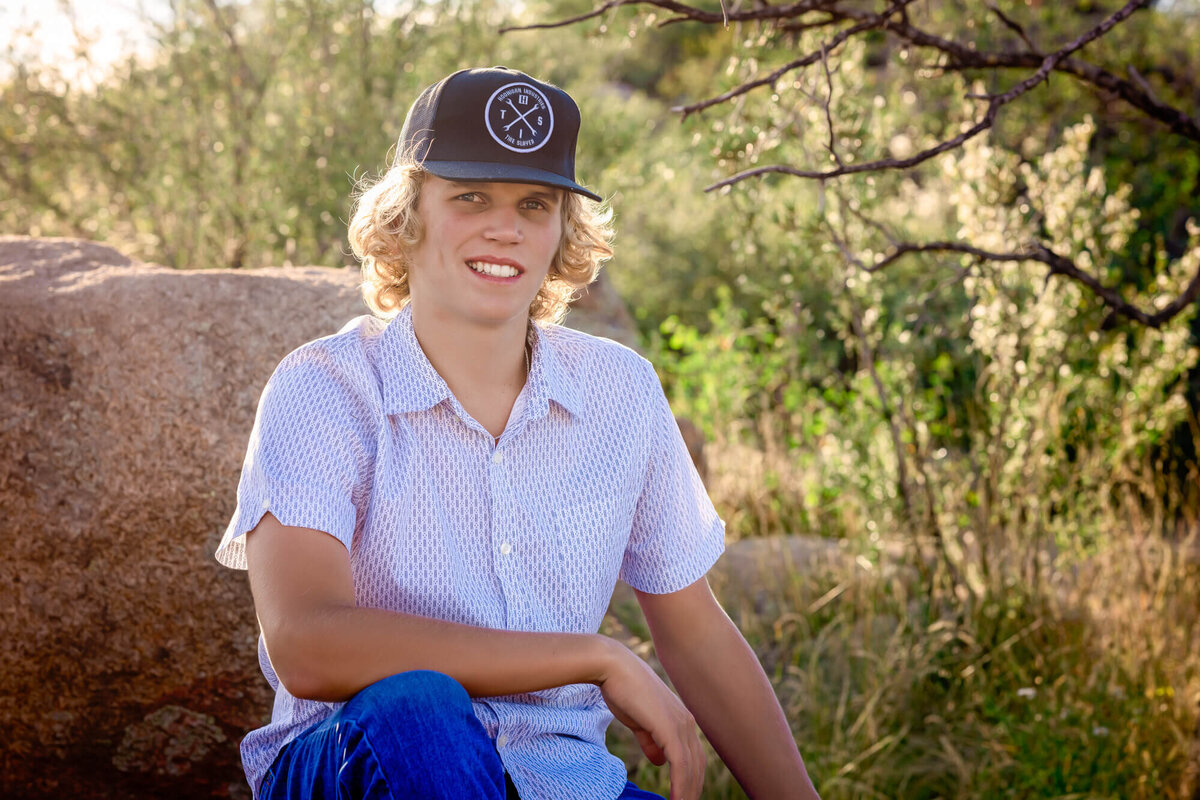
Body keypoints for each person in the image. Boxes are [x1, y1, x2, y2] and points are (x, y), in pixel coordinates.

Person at [215, 66, 821, 800]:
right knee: (420, 708)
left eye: (535, 203)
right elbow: (307, 644)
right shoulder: (326, 388)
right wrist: (591, 658)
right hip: (354, 762)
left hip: (565, 781)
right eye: (470, 196)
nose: (505, 227)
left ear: (564, 230)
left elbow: (693, 630)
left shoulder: (620, 393)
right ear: (407, 216)